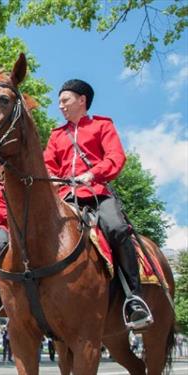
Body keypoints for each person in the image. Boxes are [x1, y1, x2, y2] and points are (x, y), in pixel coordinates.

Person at [43, 79, 152, 329]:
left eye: (65, 100)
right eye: (59, 102)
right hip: (63, 197)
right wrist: (51, 177)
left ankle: (134, 298)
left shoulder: (102, 125)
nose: (60, 106)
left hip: (96, 192)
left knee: (116, 229)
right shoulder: (57, 135)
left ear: (82, 100)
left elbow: (116, 157)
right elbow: (48, 163)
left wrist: (93, 174)